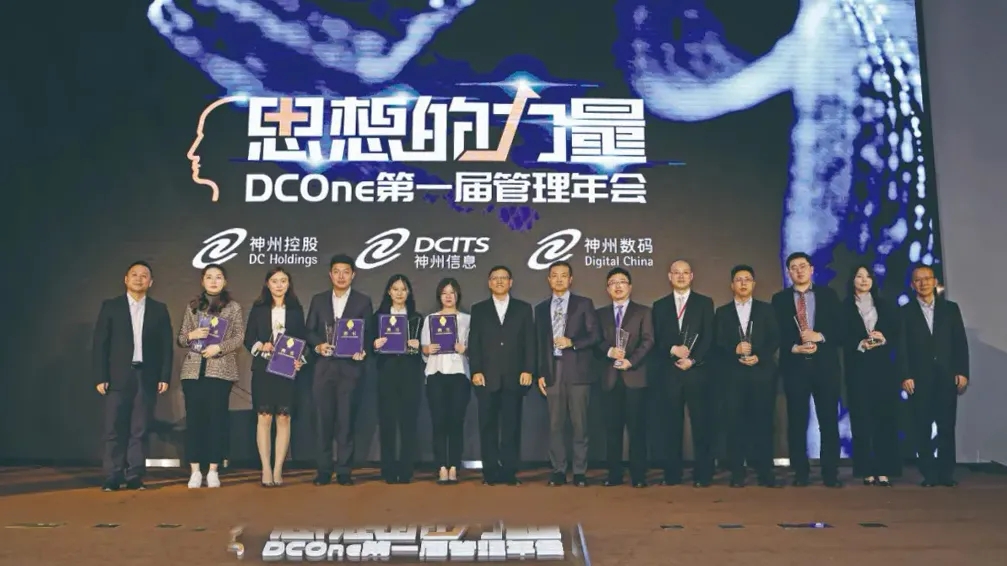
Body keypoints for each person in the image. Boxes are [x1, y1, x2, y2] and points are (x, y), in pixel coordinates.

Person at [92, 261, 173, 491]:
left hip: (146, 376)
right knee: (114, 428)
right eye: (134, 274)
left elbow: (166, 346)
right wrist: (100, 376)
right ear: (126, 279)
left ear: (151, 282)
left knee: (140, 429)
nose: (139, 279)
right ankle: (113, 475)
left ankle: (135, 475)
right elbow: (100, 344)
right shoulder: (111, 307)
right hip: (117, 376)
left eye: (144, 275)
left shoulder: (159, 309)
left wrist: (164, 376)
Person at [772, 252, 843, 488]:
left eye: (803, 266)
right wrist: (794, 347)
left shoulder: (828, 295)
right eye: (793, 267)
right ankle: (800, 472)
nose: (799, 271)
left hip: (825, 368)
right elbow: (775, 333)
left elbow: (841, 329)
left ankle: (830, 473)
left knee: (828, 421)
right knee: (797, 422)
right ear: (788, 272)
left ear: (811, 269)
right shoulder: (780, 299)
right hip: (795, 367)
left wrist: (819, 336)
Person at [305, 254, 375, 486]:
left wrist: (362, 350)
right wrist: (318, 345)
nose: (341, 276)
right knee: (323, 422)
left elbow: (368, 333)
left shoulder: (363, 301)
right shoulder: (318, 300)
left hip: (350, 369)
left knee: (346, 422)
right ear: (330, 274)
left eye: (346, 272)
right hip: (323, 369)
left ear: (353, 275)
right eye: (337, 271)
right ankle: (324, 470)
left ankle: (344, 470)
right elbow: (309, 330)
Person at [176, 264, 245, 489]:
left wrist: (219, 348)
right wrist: (192, 334)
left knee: (217, 421)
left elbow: (239, 338)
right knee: (194, 422)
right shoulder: (193, 306)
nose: (214, 281)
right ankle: (195, 470)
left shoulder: (233, 307)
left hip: (220, 372)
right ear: (202, 281)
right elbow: (181, 339)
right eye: (209, 277)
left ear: (225, 281)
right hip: (193, 371)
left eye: (218, 277)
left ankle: (213, 469)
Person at [901, 265, 970, 487]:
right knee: (921, 427)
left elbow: (960, 342)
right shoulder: (905, 312)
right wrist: (905, 375)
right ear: (912, 284)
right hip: (919, 378)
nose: (923, 283)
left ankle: (946, 474)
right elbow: (901, 347)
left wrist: (962, 372)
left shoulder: (950, 309)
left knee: (946, 427)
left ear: (935, 281)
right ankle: (929, 474)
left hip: (946, 376)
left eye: (927, 278)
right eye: (918, 280)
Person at [534, 261, 601, 487]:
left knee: (580, 424)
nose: (559, 279)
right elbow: (539, 343)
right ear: (548, 279)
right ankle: (559, 470)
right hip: (553, 370)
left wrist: (572, 342)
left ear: (571, 279)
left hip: (578, 371)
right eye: (555, 275)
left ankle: (580, 472)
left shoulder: (584, 304)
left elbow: (595, 336)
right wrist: (540, 373)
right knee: (555, 425)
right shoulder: (541, 309)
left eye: (564, 275)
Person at [468, 265, 536, 486]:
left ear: (511, 282)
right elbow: (474, 343)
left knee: (511, 426)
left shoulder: (523, 309)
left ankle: (508, 472)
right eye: (495, 278)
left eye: (503, 278)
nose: (499, 281)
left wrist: (528, 369)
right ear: (489, 283)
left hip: (514, 376)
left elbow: (530, 342)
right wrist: (476, 370)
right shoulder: (479, 309)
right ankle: (489, 472)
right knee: (487, 426)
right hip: (486, 377)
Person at [651, 259, 716, 487]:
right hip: (670, 374)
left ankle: (703, 474)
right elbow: (655, 339)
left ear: (692, 276)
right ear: (669, 276)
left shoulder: (704, 303)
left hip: (697, 372)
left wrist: (693, 360)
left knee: (701, 424)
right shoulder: (660, 306)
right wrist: (672, 349)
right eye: (676, 273)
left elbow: (709, 337)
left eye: (685, 272)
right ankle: (672, 474)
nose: (681, 276)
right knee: (670, 425)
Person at [714, 265, 780, 488]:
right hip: (733, 375)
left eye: (747, 279)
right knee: (734, 424)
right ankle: (737, 472)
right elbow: (717, 342)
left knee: (763, 423)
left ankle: (765, 471)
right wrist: (734, 349)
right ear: (732, 285)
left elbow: (774, 338)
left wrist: (759, 356)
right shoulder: (722, 312)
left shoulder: (766, 310)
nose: (743, 283)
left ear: (754, 284)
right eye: (738, 280)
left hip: (761, 374)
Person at [841, 265, 904, 487]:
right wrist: (860, 343)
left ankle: (885, 469)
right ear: (852, 280)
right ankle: (865, 469)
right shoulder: (844, 307)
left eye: (868, 276)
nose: (864, 280)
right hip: (857, 368)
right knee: (861, 420)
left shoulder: (885, 306)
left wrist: (884, 339)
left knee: (884, 419)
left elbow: (897, 334)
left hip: (883, 368)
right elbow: (840, 335)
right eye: (859, 276)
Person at [244, 267, 306, 487]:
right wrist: (261, 346)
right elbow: (248, 338)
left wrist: (300, 360)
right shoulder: (259, 309)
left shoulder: (296, 310)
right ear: (267, 284)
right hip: (263, 368)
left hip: (286, 370)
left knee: (283, 417)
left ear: (289, 284)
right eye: (274, 281)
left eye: (283, 281)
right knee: (264, 417)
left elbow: (303, 341)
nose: (279, 285)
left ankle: (279, 468)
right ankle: (266, 468)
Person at [597, 267, 654, 487]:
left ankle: (638, 476)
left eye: (622, 282)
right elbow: (595, 341)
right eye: (613, 283)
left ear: (630, 287)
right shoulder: (600, 314)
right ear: (607, 289)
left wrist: (631, 361)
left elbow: (648, 341)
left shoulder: (643, 312)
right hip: (610, 379)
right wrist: (608, 351)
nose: (618, 286)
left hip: (635, 377)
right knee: (612, 431)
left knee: (637, 430)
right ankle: (614, 475)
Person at [372, 274, 425, 484]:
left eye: (403, 289)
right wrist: (375, 344)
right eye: (395, 289)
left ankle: (405, 469)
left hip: (410, 373)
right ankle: (388, 469)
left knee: (408, 423)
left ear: (409, 292)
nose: (399, 293)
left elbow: (426, 347)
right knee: (387, 423)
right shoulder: (379, 317)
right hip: (387, 372)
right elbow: (367, 345)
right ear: (389, 292)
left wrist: (418, 345)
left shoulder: (417, 318)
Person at [421, 277, 471, 484]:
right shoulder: (430, 319)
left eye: (452, 292)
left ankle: (454, 466)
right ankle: (441, 466)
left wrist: (465, 349)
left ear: (458, 295)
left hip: (459, 375)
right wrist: (427, 349)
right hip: (436, 375)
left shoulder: (467, 319)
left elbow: (476, 349)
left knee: (456, 422)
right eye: (444, 293)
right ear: (439, 296)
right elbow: (424, 350)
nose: (448, 296)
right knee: (439, 422)